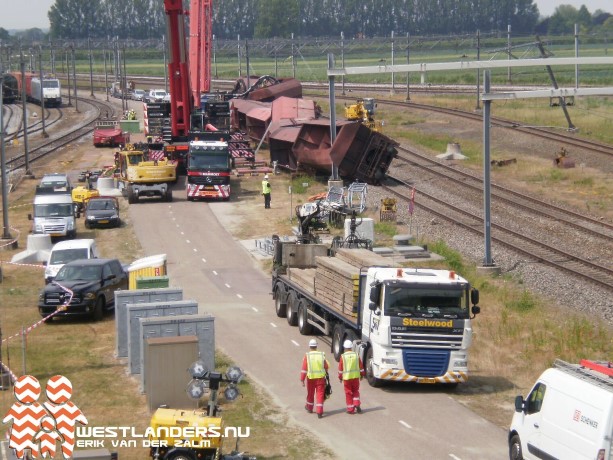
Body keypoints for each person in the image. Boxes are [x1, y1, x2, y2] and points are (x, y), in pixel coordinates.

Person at [300, 339, 329, 419]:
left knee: (310, 393)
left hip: (311, 378)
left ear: (310, 346)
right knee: (320, 394)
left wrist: (302, 379)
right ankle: (319, 412)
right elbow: (326, 366)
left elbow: (304, 369)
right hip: (320, 378)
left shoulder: (307, 355)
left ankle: (309, 407)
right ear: (316, 346)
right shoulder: (321, 354)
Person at [338, 339, 365, 414]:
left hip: (347, 378)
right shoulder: (356, 355)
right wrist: (362, 375)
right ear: (351, 347)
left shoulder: (343, 357)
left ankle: (350, 409)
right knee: (355, 391)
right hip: (355, 377)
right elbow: (361, 367)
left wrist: (340, 377)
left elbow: (340, 369)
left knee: (348, 393)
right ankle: (357, 404)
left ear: (344, 348)